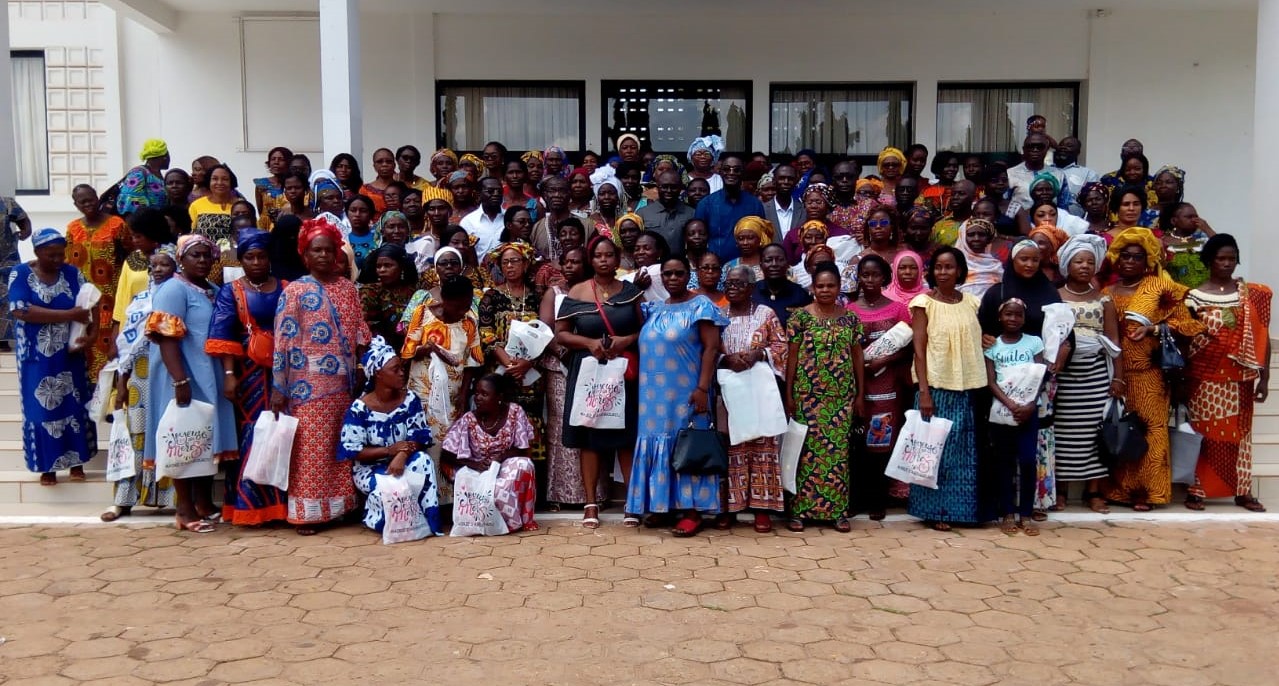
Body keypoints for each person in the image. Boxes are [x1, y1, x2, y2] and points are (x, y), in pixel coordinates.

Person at [271, 217, 372, 533]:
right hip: (306, 387)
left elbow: (359, 330)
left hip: (343, 384)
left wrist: (360, 368)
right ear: (306, 254)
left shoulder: (347, 289)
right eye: (317, 250)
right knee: (311, 450)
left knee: (340, 446)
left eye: (330, 250)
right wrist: (279, 386)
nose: (325, 256)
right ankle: (308, 513)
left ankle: (340, 507)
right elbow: (283, 340)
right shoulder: (296, 291)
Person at [1102, 230, 1203, 510]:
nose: (1130, 261)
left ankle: (1147, 491)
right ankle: (1121, 490)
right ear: (1116, 258)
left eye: (1137, 256)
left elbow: (1192, 325)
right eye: (1125, 255)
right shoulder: (1106, 293)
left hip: (1150, 373)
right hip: (1114, 374)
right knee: (1120, 430)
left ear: (1148, 261)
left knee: (1150, 431)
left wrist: (1155, 328)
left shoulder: (1160, 288)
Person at [627, 256, 726, 536]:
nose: (672, 278)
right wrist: (635, 289)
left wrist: (703, 388)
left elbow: (711, 348)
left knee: (687, 447)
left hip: (686, 392)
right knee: (660, 446)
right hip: (652, 396)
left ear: (688, 274)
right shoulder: (655, 308)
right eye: (667, 274)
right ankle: (662, 505)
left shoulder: (701, 306)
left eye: (679, 273)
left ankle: (692, 511)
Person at [146, 235, 238, 533]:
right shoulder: (172, 289)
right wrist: (180, 380)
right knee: (183, 439)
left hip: (207, 375)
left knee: (202, 440)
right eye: (194, 255)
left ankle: (203, 503)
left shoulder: (210, 290)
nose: (201, 261)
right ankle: (184, 511)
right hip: (182, 375)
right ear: (181, 259)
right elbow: (165, 338)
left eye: (206, 256)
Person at [554, 236, 644, 529]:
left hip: (623, 370)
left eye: (609, 255)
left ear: (618, 260)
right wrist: (589, 342)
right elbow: (562, 334)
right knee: (589, 438)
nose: (604, 260)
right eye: (598, 256)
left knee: (625, 436)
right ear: (590, 261)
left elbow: (645, 329)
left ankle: (632, 502)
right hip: (589, 370)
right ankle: (591, 503)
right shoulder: (578, 291)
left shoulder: (631, 293)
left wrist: (626, 340)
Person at [980, 240, 1071, 520]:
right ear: (1013, 262)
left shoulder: (1050, 293)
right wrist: (984, 338)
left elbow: (1065, 333)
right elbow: (982, 329)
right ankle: (1005, 505)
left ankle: (1034, 504)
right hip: (1002, 380)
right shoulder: (998, 293)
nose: (1030, 265)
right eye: (1024, 259)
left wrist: (1062, 354)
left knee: (1033, 446)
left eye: (1035, 260)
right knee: (1004, 447)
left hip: (1039, 379)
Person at [205, 229, 288, 526]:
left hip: (283, 372)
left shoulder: (285, 287)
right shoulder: (232, 291)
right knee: (252, 435)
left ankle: (280, 507)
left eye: (261, 256)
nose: (256, 262)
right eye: (249, 257)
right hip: (248, 373)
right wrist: (229, 374)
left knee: (281, 434)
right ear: (241, 260)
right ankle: (246, 505)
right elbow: (224, 333)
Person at [1185, 234, 1271, 512]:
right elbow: (1186, 337)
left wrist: (1265, 377)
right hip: (1204, 377)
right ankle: (1197, 490)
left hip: (1240, 379)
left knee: (1240, 436)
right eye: (1220, 258)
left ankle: (1242, 491)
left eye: (1231, 259)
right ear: (1209, 260)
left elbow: (1262, 337)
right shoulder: (1194, 296)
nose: (1226, 264)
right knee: (1204, 433)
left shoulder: (1252, 294)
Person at [908, 247, 988, 530]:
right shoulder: (923, 303)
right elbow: (919, 350)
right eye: (939, 267)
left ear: (959, 270)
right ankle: (935, 511)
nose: (943, 272)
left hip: (969, 388)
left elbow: (980, 339)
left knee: (964, 453)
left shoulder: (973, 303)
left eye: (949, 267)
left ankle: (964, 512)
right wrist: (925, 392)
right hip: (937, 388)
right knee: (935, 452)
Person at [10, 228, 97, 486]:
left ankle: (77, 463)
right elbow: (22, 310)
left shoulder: (72, 273)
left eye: (61, 254)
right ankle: (47, 467)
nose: (58, 260)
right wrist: (69, 314)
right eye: (52, 255)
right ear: (37, 252)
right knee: (42, 409)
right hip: (36, 357)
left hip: (69, 354)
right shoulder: (22, 274)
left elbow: (90, 304)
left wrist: (91, 336)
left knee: (74, 405)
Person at [784, 262, 865, 532]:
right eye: (820, 285)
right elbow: (791, 359)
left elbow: (857, 359)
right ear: (812, 288)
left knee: (838, 455)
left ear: (839, 287)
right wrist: (790, 396)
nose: (825, 290)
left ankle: (838, 512)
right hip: (807, 397)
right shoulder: (800, 318)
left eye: (831, 285)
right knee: (805, 453)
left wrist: (860, 396)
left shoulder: (850, 319)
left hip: (841, 398)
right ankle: (799, 512)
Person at [339, 336, 442, 535]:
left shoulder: (409, 399)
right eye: (395, 369)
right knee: (392, 488)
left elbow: (421, 435)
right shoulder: (360, 409)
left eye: (401, 368)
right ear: (378, 374)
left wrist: (401, 455)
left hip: (402, 460)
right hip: (370, 469)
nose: (402, 373)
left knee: (423, 461)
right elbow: (353, 451)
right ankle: (378, 519)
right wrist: (388, 451)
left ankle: (430, 523)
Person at [105, 246, 178, 521]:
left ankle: (171, 499)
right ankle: (122, 501)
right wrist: (121, 384)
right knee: (135, 438)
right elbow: (126, 349)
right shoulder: (139, 301)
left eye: (165, 265)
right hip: (139, 378)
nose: (157, 270)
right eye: (154, 266)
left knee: (168, 434)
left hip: (170, 376)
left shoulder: (178, 298)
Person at [1053, 234, 1122, 513]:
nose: (1084, 266)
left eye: (1089, 262)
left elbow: (1115, 342)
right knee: (1062, 433)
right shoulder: (1055, 297)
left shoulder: (1104, 300)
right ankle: (1060, 490)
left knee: (1094, 433)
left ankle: (1094, 492)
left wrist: (1118, 378)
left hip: (1096, 375)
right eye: (1078, 261)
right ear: (1067, 265)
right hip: (1064, 377)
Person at [401, 272, 485, 499]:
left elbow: (472, 362)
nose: (462, 311)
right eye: (458, 307)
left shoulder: (469, 322)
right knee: (424, 441)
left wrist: (463, 395)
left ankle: (447, 500)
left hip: (453, 395)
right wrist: (426, 348)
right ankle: (424, 498)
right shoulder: (423, 314)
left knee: (449, 446)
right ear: (444, 300)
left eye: (467, 306)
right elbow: (408, 352)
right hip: (422, 393)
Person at [718, 265, 788, 532]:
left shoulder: (765, 314)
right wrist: (726, 358)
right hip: (728, 391)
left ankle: (762, 508)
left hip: (758, 390)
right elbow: (706, 347)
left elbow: (782, 346)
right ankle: (729, 509)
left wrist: (760, 355)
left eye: (739, 284)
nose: (733, 288)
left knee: (762, 447)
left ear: (751, 288)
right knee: (731, 448)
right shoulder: (718, 314)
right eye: (729, 284)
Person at [539, 247, 607, 510]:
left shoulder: (594, 291)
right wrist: (562, 353)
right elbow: (545, 328)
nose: (569, 267)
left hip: (592, 363)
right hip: (559, 366)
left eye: (575, 262)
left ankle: (593, 493)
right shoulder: (553, 293)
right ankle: (561, 493)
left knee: (590, 422)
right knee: (560, 426)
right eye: (565, 262)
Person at [847, 255, 913, 516]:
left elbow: (909, 346)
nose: (870, 280)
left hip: (886, 389)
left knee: (880, 444)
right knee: (857, 446)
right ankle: (857, 499)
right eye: (865, 275)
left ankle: (877, 500)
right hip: (856, 389)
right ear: (859, 277)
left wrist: (884, 359)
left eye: (875, 275)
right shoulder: (850, 310)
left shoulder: (898, 310)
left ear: (885, 277)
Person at [442, 374, 540, 533]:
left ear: (499, 397)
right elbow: (447, 454)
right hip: (477, 469)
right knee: (496, 489)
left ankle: (525, 519)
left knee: (525, 465)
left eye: (484, 394)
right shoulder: (468, 419)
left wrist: (501, 457)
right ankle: (511, 524)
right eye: (476, 393)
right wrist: (476, 465)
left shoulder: (515, 412)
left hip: (505, 464)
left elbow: (523, 449)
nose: (478, 398)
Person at [478, 242, 545, 460]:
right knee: (501, 416)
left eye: (515, 260)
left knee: (530, 422)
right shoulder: (491, 297)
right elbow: (486, 334)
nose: (509, 266)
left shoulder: (537, 295)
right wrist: (509, 364)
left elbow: (545, 333)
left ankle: (530, 477)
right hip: (500, 372)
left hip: (531, 373)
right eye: (505, 262)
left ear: (526, 264)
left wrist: (527, 363)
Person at [985, 298, 1046, 536]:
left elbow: (1040, 376)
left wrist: (1029, 405)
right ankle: (1008, 513)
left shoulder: (1034, 343)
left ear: (1024, 318)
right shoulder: (993, 345)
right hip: (1002, 412)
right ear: (1000, 317)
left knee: (1029, 461)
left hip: (1028, 413)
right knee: (1005, 463)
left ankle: (1026, 514)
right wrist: (1010, 404)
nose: (1013, 319)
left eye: (1017, 315)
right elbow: (990, 380)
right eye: (1008, 314)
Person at [65, 184, 128, 380]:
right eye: (82, 201)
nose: (88, 204)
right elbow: (67, 260)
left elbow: (127, 256)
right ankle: (88, 392)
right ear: (76, 204)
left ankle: (108, 393)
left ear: (97, 198)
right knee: (83, 339)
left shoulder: (117, 224)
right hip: (83, 299)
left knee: (107, 342)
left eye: (91, 199)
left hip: (110, 296)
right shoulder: (73, 228)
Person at [694, 155, 765, 262]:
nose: (731, 173)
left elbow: (762, 240)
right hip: (715, 269)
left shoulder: (755, 204)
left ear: (743, 173)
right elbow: (698, 241)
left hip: (746, 267)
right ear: (720, 172)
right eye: (726, 169)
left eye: (736, 170)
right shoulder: (706, 204)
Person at [358, 243, 418, 353]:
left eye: (388, 265)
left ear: (401, 267)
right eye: (378, 266)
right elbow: (362, 322)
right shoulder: (370, 291)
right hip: (380, 351)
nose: (382, 270)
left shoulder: (414, 291)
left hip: (411, 349)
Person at [637, 172, 695, 255]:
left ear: (680, 189)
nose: (669, 191)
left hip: (681, 264)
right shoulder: (643, 213)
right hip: (653, 265)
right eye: (664, 187)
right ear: (657, 187)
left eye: (673, 187)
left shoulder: (691, 213)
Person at [753, 243, 811, 327]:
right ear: (761, 265)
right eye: (768, 260)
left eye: (780, 259)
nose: (774, 264)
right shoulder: (752, 293)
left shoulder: (801, 295)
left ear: (787, 264)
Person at [1161, 202, 1215, 289]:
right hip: (1175, 294)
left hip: (1204, 294)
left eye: (1196, 216)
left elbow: (1223, 249)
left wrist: (1207, 229)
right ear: (1174, 221)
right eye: (1189, 217)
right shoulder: (1162, 241)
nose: (1194, 220)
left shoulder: (1203, 239)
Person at [1007, 133, 1063, 212]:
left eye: (1040, 147)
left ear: (1046, 149)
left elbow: (1064, 206)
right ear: (1024, 149)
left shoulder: (1058, 174)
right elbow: (1005, 205)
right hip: (1019, 222)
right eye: (1031, 146)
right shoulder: (1010, 174)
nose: (1035, 150)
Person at [117, 139, 170, 216]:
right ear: (164, 157)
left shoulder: (159, 176)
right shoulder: (138, 174)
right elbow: (130, 205)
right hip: (142, 225)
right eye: (167, 154)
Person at [1053, 136, 1100, 217]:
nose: (1063, 147)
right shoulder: (1046, 171)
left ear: (1078, 152)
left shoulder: (1089, 174)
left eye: (1069, 146)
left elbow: (1094, 201)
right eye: (1061, 145)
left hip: (1075, 223)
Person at [957, 218, 1003, 297]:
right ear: (963, 238)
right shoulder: (956, 263)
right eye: (971, 235)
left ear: (988, 239)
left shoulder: (995, 265)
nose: (976, 239)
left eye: (981, 235)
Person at [461, 177, 506, 257]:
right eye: (490, 191)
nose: (496, 194)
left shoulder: (509, 218)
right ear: (479, 194)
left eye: (499, 191)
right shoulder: (468, 222)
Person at [724, 216, 774, 282]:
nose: (745, 243)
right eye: (741, 239)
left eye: (750, 238)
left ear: (760, 239)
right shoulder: (729, 267)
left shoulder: (771, 265)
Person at [253, 147, 293, 225]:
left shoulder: (293, 184)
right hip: (265, 227)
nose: (276, 162)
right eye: (273, 159)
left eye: (281, 159)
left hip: (287, 225)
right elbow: (260, 210)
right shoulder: (261, 184)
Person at [359, 148, 398, 216]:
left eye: (388, 161)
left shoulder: (401, 188)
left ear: (394, 165)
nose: (384, 164)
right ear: (374, 166)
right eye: (380, 161)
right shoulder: (365, 190)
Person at [344, 195, 379, 272]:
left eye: (363, 211)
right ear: (347, 214)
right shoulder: (343, 240)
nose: (357, 215)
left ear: (371, 214)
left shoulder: (379, 240)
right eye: (353, 210)